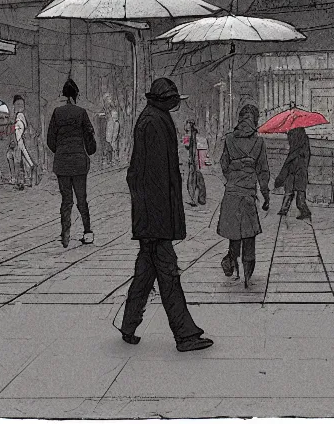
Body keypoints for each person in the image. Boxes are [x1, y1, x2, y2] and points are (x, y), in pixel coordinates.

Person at [120, 78, 213, 353]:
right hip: (155, 217)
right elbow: (157, 177)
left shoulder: (152, 118)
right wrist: (162, 222)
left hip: (151, 215)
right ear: (164, 99)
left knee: (145, 273)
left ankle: (129, 324)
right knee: (169, 275)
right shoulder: (155, 122)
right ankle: (184, 334)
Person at [218, 104, 271, 288]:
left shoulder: (229, 140)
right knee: (249, 234)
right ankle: (248, 274)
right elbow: (263, 171)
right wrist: (265, 194)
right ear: (255, 120)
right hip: (248, 194)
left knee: (234, 233)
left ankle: (232, 259)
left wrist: (233, 178)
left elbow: (223, 165)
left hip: (232, 193)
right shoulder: (259, 143)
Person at [46, 79, 97, 248]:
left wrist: (60, 151)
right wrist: (90, 149)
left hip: (62, 163)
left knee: (66, 200)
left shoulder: (57, 113)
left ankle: (65, 233)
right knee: (82, 199)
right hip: (79, 162)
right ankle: (87, 232)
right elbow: (89, 134)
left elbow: (50, 140)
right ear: (76, 95)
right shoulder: (81, 112)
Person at [276, 127, 312, 220]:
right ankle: (286, 209)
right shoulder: (304, 140)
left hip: (296, 171)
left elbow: (290, 160)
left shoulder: (297, 145)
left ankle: (303, 211)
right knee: (294, 191)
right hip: (298, 171)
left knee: (293, 192)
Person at [13, 95, 39, 189]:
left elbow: (19, 131)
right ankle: (29, 180)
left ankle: (25, 181)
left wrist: (19, 142)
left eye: (21, 104)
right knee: (26, 160)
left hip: (23, 141)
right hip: (25, 141)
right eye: (17, 104)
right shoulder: (21, 115)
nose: (19, 106)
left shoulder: (20, 116)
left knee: (25, 161)